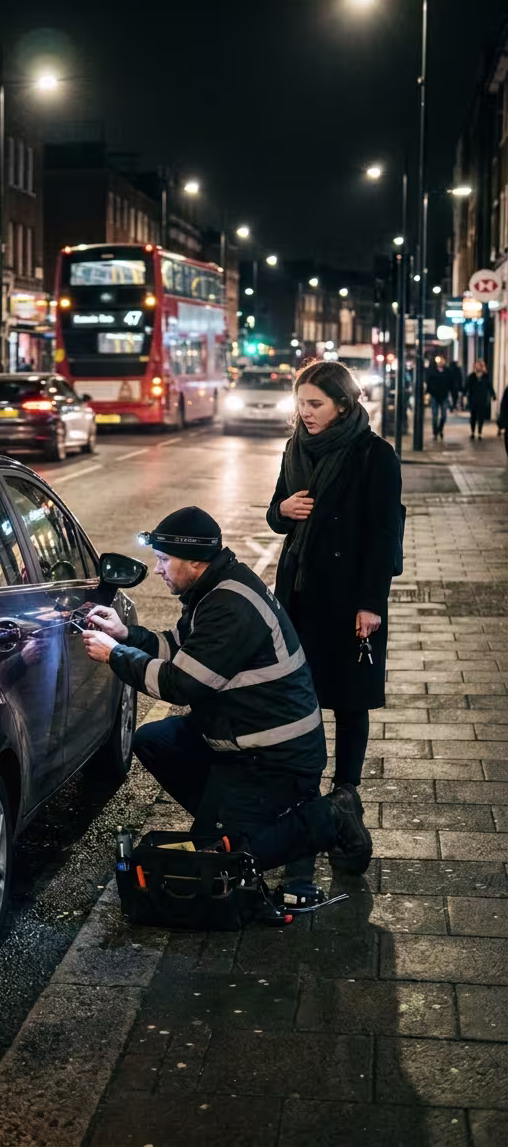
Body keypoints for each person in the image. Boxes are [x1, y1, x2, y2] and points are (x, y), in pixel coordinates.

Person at [81, 506, 373, 874]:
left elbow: (181, 683)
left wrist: (116, 655)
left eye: (163, 560)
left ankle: (332, 816)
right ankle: (228, 816)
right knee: (154, 740)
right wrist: (126, 635)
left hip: (275, 757)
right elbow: (183, 647)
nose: (157, 569)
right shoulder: (216, 586)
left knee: (228, 864)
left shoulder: (229, 605)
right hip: (239, 738)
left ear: (195, 562)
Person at [266, 360, 402, 792]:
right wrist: (282, 512)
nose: (305, 412)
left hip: (347, 596)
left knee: (348, 697)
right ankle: (301, 780)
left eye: (315, 404)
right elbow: (276, 512)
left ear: (342, 405)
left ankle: (346, 790)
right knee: (295, 693)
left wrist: (370, 604)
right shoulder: (295, 448)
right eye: (301, 403)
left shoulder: (373, 454)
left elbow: (383, 536)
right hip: (299, 593)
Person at [465, 359, 496, 440]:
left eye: (480, 365)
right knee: (473, 416)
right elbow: (467, 386)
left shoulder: (486, 376)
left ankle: (480, 432)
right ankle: (472, 432)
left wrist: (493, 395)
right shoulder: (472, 376)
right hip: (473, 399)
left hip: (482, 399)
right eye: (477, 365)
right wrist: (464, 393)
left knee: (481, 416)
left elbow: (489, 386)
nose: (478, 367)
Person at [425, 358, 452, 441]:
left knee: (444, 416)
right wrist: (429, 391)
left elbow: (451, 383)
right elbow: (428, 382)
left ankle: (440, 429)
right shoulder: (433, 371)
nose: (441, 363)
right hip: (435, 396)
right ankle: (435, 433)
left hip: (444, 396)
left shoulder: (447, 371)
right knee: (435, 416)